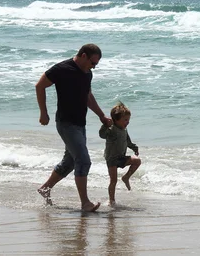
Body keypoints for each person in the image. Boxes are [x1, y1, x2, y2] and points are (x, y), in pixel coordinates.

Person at [35, 43, 112, 212]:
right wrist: (43, 112)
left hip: (80, 124)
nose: (94, 67)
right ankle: (85, 203)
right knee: (83, 160)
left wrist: (101, 116)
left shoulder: (87, 74)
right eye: (93, 62)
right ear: (83, 55)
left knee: (69, 162)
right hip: (66, 123)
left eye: (96, 64)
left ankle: (45, 188)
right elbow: (39, 85)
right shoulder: (62, 69)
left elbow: (88, 96)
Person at [99, 102, 141, 206]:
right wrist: (105, 125)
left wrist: (134, 147)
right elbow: (102, 135)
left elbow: (128, 141)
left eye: (128, 120)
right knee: (113, 180)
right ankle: (111, 200)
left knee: (137, 161)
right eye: (125, 120)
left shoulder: (124, 129)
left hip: (121, 157)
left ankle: (126, 177)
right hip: (112, 158)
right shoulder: (111, 129)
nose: (128, 122)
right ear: (116, 119)